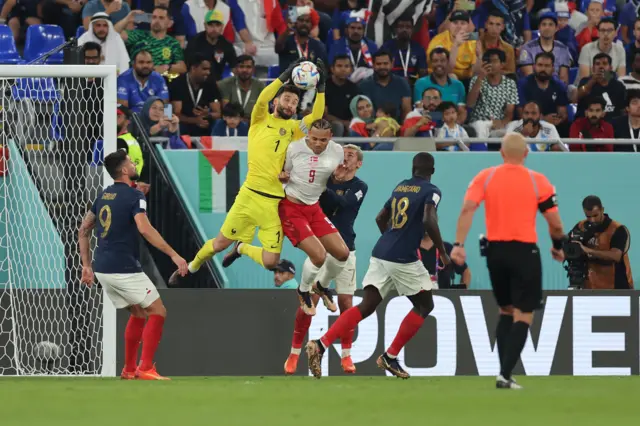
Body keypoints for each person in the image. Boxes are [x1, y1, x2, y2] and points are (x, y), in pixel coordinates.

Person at [168, 59, 327, 284]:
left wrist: (321, 89)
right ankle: (191, 268)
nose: (290, 104)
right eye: (286, 99)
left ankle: (242, 247)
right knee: (219, 244)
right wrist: (284, 75)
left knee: (272, 261)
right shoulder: (259, 120)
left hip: (274, 203)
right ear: (276, 102)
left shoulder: (294, 130)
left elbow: (317, 118)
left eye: (294, 102)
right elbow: (262, 98)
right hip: (249, 196)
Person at [305, 153, 450, 379]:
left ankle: (320, 344)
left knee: (367, 305)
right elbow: (428, 219)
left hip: (381, 251)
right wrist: (442, 250)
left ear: (413, 169)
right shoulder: (432, 191)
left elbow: (380, 218)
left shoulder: (401, 187)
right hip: (402, 258)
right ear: (432, 170)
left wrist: (392, 241)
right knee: (424, 306)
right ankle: (390, 356)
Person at [450, 133, 565, 389]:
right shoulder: (538, 181)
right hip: (525, 252)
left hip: (495, 252)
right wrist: (557, 246)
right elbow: (555, 224)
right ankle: (504, 374)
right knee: (524, 314)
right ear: (526, 154)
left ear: (501, 154)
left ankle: (504, 374)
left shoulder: (486, 176)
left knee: (505, 310)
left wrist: (458, 245)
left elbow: (468, 209)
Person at [78, 150, 188, 380]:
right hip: (123, 267)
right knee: (158, 311)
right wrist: (174, 255)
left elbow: (83, 229)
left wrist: (86, 266)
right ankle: (146, 367)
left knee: (138, 312)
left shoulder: (104, 195)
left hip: (103, 268)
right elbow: (145, 228)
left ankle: (129, 370)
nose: (133, 163)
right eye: (130, 161)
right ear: (125, 170)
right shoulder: (135, 197)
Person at [283, 143, 366, 375]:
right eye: (343, 155)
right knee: (309, 303)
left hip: (346, 248)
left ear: (358, 163)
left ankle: (347, 356)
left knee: (347, 304)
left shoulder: (360, 187)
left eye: (350, 156)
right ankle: (294, 353)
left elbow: (343, 205)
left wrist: (328, 186)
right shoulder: (325, 180)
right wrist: (327, 183)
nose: (345, 159)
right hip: (321, 246)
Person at [277, 119, 348, 315]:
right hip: (291, 207)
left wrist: (337, 179)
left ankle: (321, 286)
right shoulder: (294, 148)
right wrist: (281, 178)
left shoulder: (337, 151)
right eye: (314, 138)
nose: (318, 144)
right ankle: (303, 290)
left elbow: (330, 180)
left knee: (343, 254)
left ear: (330, 137)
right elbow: (283, 174)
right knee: (318, 255)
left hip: (314, 208)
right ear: (308, 135)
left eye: (323, 140)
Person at [568, 195, 632, 289]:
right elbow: (570, 245)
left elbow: (616, 256)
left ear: (602, 209)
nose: (592, 220)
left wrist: (587, 250)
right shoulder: (581, 226)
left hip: (616, 286)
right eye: (588, 216)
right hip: (590, 286)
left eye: (595, 215)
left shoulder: (617, 229)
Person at [468, 49, 519, 139]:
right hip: (479, 121)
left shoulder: (510, 83)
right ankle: (481, 151)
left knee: (515, 128)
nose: (490, 64)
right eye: (487, 61)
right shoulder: (476, 80)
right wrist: (480, 78)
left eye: (494, 61)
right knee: (480, 126)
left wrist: (502, 122)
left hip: (499, 123)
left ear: (502, 64)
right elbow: (470, 103)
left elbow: (510, 111)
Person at [123, 6, 186, 75]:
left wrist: (166, 67)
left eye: (161, 18)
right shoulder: (138, 35)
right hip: (135, 79)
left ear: (169, 24)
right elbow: (113, 35)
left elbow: (182, 68)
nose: (156, 21)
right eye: (154, 17)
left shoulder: (173, 43)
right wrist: (127, 19)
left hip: (160, 82)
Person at [517, 52, 570, 136]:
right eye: (540, 65)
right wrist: (544, 120)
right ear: (534, 66)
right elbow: (521, 113)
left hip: (552, 126)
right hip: (529, 124)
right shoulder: (523, 84)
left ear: (553, 68)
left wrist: (559, 118)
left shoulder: (559, 85)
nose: (543, 69)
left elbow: (563, 112)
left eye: (547, 66)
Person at [170, 53, 221, 136]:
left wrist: (208, 114)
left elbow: (218, 113)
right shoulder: (177, 82)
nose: (208, 72)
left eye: (209, 69)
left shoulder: (210, 83)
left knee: (218, 123)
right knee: (176, 124)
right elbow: (175, 114)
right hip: (184, 123)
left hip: (204, 123)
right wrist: (195, 120)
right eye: (204, 69)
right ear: (193, 68)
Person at [413, 47, 467, 123]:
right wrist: (446, 117)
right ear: (431, 63)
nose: (439, 64)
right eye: (435, 61)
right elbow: (420, 111)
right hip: (428, 126)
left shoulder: (458, 85)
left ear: (448, 62)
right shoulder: (420, 83)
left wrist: (453, 128)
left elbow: (462, 112)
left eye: (442, 61)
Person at [184, 9, 238, 82]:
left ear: (222, 26)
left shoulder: (226, 44)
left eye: (217, 25)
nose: (214, 29)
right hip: (197, 82)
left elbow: (234, 67)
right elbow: (188, 67)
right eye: (211, 25)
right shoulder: (195, 42)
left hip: (218, 83)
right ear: (205, 25)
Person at [358, 50, 412, 122]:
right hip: (372, 128)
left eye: (385, 63)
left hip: (397, 127)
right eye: (378, 64)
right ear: (373, 65)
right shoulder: (363, 85)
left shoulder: (402, 83)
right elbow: (362, 113)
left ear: (392, 64)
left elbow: (406, 111)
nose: (382, 67)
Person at [518, 11, 571, 84]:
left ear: (556, 28)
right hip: (533, 89)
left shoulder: (563, 49)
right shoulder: (527, 48)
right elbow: (529, 77)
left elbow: (563, 79)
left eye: (550, 25)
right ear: (539, 28)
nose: (547, 28)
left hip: (555, 88)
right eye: (544, 24)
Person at [574, 53, 626, 123]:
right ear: (593, 68)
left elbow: (622, 111)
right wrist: (592, 81)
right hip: (587, 123)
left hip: (612, 125)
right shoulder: (585, 82)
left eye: (604, 64)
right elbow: (577, 96)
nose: (601, 66)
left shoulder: (618, 85)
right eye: (597, 64)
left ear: (610, 68)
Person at [427, 10, 478, 82]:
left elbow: (476, 72)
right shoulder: (439, 40)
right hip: (440, 76)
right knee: (452, 77)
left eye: (463, 23)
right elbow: (445, 70)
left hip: (466, 79)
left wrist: (480, 55)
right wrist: (456, 45)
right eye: (455, 23)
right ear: (449, 24)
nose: (459, 26)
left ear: (467, 26)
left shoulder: (472, 42)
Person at [276, 6, 327, 72]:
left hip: (311, 80)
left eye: (307, 21)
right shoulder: (286, 41)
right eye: (301, 20)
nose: (304, 23)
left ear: (312, 24)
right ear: (295, 23)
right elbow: (278, 48)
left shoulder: (318, 45)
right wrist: (287, 29)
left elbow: (323, 69)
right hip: (288, 81)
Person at [117, 49, 169, 113]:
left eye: (148, 62)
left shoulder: (159, 78)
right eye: (141, 62)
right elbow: (122, 109)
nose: (145, 66)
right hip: (132, 119)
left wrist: (168, 120)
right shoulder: (123, 79)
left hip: (153, 118)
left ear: (153, 64)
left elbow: (166, 105)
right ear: (133, 64)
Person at [380, 13, 427, 82]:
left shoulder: (419, 49)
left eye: (408, 27)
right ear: (395, 29)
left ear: (412, 30)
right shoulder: (386, 47)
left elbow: (423, 76)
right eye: (401, 27)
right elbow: (381, 71)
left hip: (412, 86)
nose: (404, 30)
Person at [217, 55, 265, 122]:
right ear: (236, 69)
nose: (244, 70)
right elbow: (226, 111)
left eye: (248, 67)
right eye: (241, 66)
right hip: (231, 123)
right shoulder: (225, 84)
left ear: (253, 70)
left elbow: (263, 111)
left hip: (253, 124)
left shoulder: (260, 86)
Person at [325, 54, 360, 137]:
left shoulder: (354, 88)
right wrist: (343, 122)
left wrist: (351, 122)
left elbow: (358, 111)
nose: (343, 69)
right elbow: (323, 114)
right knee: (338, 126)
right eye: (339, 66)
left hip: (349, 124)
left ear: (351, 69)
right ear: (332, 69)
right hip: (327, 124)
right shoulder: (323, 86)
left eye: (346, 66)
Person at [480, 10, 516, 75]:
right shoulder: (475, 44)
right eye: (491, 24)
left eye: (498, 24)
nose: (494, 28)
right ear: (485, 25)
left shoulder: (509, 49)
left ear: (503, 27)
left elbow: (511, 72)